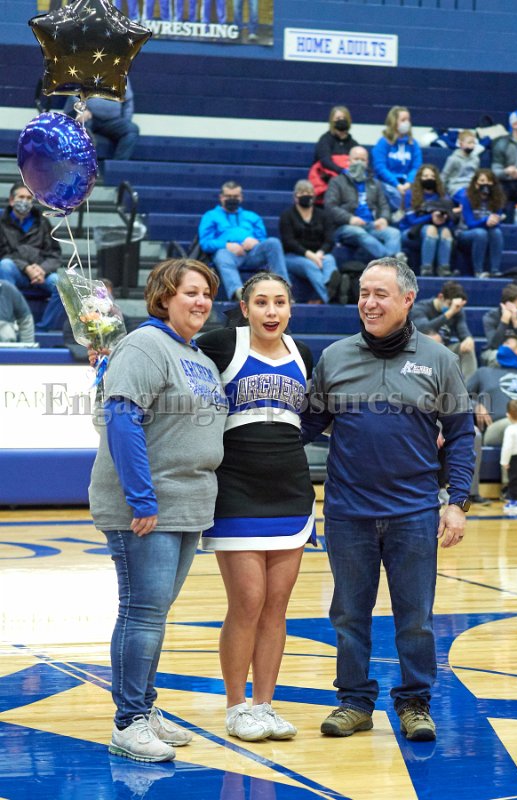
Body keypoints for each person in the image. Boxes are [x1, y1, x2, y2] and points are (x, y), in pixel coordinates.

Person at [301, 256, 475, 742]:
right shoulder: (335, 357)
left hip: (414, 512)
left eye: (380, 294)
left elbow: (461, 434)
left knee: (415, 618)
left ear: (407, 299)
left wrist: (457, 501)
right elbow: (305, 426)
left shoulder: (438, 360)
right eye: (363, 293)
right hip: (347, 512)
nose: (369, 303)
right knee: (348, 615)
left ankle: (415, 703)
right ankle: (354, 702)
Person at [89, 259, 228, 762]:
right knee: (142, 613)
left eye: (207, 293)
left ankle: (143, 709)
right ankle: (127, 722)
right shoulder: (145, 345)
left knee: (154, 614)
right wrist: (142, 497)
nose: (201, 301)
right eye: (191, 292)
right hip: (148, 508)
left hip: (188, 504)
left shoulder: (197, 355)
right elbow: (121, 418)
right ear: (164, 296)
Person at [198, 272, 315, 743]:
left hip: (290, 489)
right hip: (236, 490)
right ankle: (235, 707)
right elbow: (172, 363)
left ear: (290, 308)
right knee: (247, 601)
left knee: (276, 606)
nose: (271, 311)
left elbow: (311, 419)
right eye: (261, 302)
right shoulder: (221, 344)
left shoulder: (303, 354)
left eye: (280, 302)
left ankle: (264, 705)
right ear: (245, 309)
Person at [198, 180, 290, 301]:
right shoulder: (210, 216)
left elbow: (263, 238)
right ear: (221, 197)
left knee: (273, 242)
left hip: (252, 254)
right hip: (228, 255)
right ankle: (239, 292)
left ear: (241, 197)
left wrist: (256, 242)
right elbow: (205, 243)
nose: (232, 199)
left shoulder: (252, 216)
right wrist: (226, 245)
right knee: (221, 254)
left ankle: (283, 288)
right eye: (228, 196)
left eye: (235, 196)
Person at [0, 182, 65, 331]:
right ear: (11, 200)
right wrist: (26, 268)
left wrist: (42, 269)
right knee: (4, 265)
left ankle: (44, 328)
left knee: (61, 284)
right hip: (15, 272)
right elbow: (2, 253)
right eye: (21, 197)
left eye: (29, 198)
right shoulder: (2, 223)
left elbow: (54, 254)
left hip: (41, 274)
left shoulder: (43, 222)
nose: (25, 201)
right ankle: (9, 323)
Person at [324, 146, 403, 261]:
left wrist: (384, 218)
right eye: (356, 159)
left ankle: (390, 264)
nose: (359, 163)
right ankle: (391, 261)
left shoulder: (375, 183)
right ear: (349, 161)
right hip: (346, 227)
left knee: (394, 233)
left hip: (371, 225)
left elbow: (383, 205)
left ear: (367, 163)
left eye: (363, 160)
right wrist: (350, 218)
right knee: (359, 232)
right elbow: (330, 206)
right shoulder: (337, 182)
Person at [279, 179, 339, 304]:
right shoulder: (287, 216)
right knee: (310, 265)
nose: (306, 195)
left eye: (309, 192)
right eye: (302, 192)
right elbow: (289, 242)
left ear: (314, 196)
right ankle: (330, 297)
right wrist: (310, 256)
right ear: (295, 197)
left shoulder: (323, 215)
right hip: (293, 256)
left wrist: (320, 253)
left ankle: (330, 286)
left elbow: (330, 240)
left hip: (319, 254)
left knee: (330, 260)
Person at [467, 335, 517, 446]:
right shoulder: (483, 372)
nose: (501, 347)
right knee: (516, 429)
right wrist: (475, 405)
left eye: (507, 343)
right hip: (496, 426)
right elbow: (458, 397)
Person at [410, 280, 477, 379]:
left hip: (445, 350)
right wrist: (450, 313)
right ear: (440, 297)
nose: (453, 308)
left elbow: (462, 330)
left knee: (467, 348)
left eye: (456, 307)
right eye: (449, 304)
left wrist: (468, 338)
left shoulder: (457, 310)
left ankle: (469, 387)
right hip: (422, 351)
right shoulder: (420, 308)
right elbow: (424, 328)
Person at [400, 164, 457, 277]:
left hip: (438, 229)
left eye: (432, 176)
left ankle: (444, 268)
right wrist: (431, 217)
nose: (429, 178)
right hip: (411, 232)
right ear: (419, 178)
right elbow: (412, 221)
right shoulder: (410, 194)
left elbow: (451, 222)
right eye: (425, 176)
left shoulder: (443, 196)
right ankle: (426, 268)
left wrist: (444, 218)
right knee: (431, 229)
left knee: (445, 231)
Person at [454, 169, 506, 278]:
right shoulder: (466, 197)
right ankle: (478, 271)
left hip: (486, 231)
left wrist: (495, 221)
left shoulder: (497, 198)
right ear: (476, 183)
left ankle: (495, 270)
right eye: (482, 181)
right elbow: (470, 224)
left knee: (496, 232)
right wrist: (486, 221)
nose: (485, 184)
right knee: (480, 233)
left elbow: (497, 220)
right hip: (465, 233)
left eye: (489, 181)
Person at [371, 106, 423, 212]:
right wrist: (396, 184)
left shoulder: (413, 144)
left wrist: (409, 182)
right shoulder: (383, 143)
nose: (407, 123)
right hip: (387, 183)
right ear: (394, 122)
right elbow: (380, 167)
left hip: (407, 183)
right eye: (403, 120)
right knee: (394, 195)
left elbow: (416, 167)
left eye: (408, 120)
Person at [71, 83, 139, 161]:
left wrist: (126, 120)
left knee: (131, 129)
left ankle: (117, 165)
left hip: (112, 121)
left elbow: (128, 102)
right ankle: (85, 165)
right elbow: (75, 93)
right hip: (89, 117)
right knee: (81, 127)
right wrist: (82, 110)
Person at [309, 106, 358, 203]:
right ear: (332, 121)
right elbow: (325, 161)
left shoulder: (353, 144)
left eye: (344, 118)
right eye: (338, 118)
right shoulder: (325, 140)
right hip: (327, 182)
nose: (341, 120)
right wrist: (342, 171)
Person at [491, 110, 517, 225]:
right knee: (502, 191)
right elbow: (495, 170)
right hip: (507, 183)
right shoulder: (501, 143)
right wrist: (506, 171)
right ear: (514, 124)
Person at [482, 282, 517, 369]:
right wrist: (504, 322)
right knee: (496, 356)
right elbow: (493, 345)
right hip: (497, 350)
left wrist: (516, 324)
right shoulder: (490, 317)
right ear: (508, 304)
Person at [441, 129, 481, 197]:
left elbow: (476, 176)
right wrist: (442, 193)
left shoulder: (476, 159)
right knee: (466, 196)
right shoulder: (453, 159)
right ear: (461, 144)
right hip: (456, 187)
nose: (472, 145)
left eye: (473, 143)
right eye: (469, 143)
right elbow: (444, 176)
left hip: (471, 187)